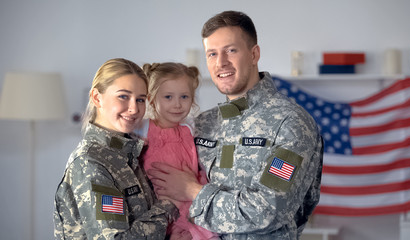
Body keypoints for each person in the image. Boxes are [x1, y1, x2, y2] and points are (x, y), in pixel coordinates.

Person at [147, 11, 324, 240]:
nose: (221, 63)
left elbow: (267, 212)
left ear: (254, 54)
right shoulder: (201, 123)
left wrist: (192, 190)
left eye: (231, 50)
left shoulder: (290, 123)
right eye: (212, 54)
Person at [53, 58, 179, 239]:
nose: (134, 108)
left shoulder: (132, 155)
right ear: (97, 98)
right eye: (123, 96)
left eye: (140, 99)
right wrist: (168, 205)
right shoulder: (91, 163)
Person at [135, 62, 218, 240]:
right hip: (162, 207)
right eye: (168, 97)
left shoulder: (189, 129)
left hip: (191, 204)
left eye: (184, 97)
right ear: (151, 98)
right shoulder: (143, 128)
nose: (177, 104)